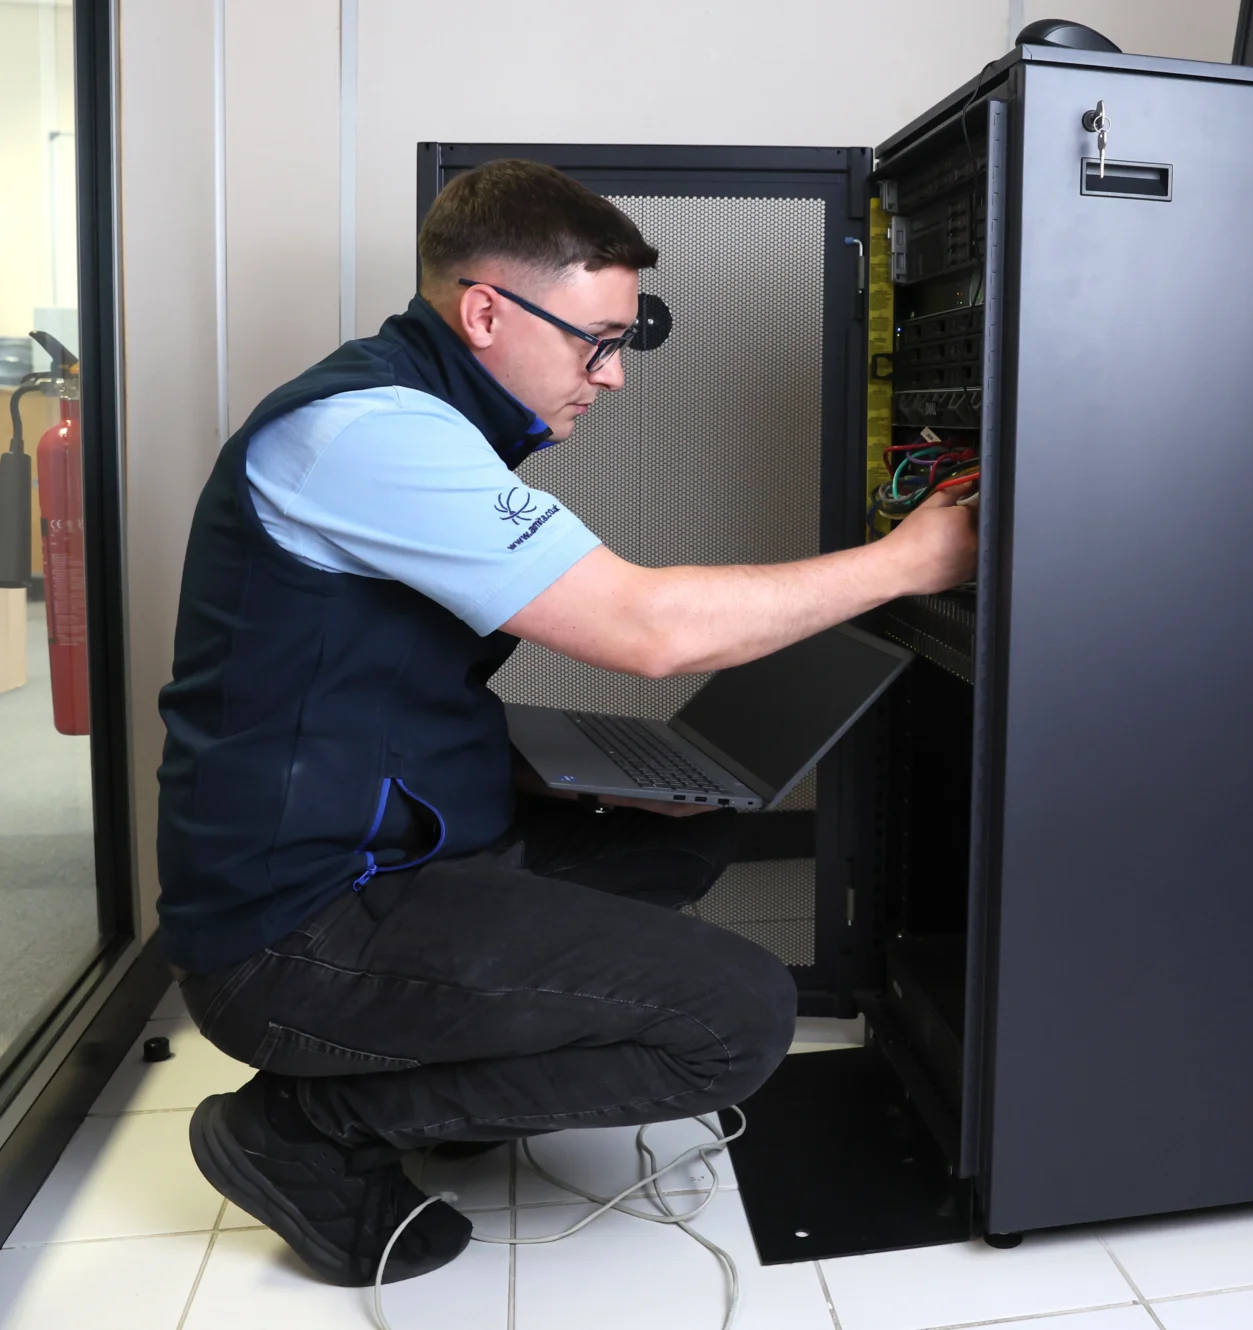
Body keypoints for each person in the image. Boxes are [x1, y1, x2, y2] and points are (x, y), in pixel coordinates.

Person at [156, 159, 976, 1287]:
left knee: (687, 826)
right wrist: (906, 562)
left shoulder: (425, 413)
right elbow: (648, 627)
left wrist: (569, 775)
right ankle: (306, 1130)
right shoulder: (369, 434)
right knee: (738, 1017)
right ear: (486, 311)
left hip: (387, 855)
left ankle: (434, 1083)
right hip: (292, 928)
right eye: (597, 340)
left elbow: (366, 687)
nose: (614, 377)